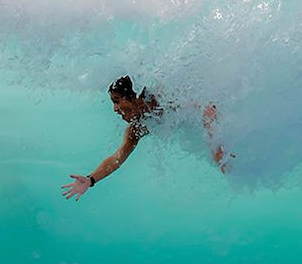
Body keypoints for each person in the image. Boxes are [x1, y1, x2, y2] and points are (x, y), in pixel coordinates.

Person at [61, 76, 230, 202]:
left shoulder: (162, 100)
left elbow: (208, 109)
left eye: (117, 101)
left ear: (133, 97)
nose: (115, 109)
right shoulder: (137, 128)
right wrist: (90, 179)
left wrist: (218, 149)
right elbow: (117, 157)